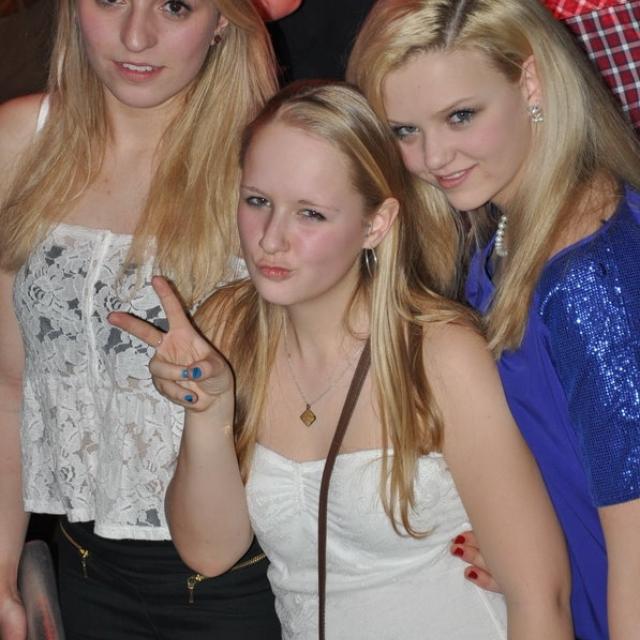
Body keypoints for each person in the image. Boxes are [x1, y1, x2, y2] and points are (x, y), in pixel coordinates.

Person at [110, 81, 573, 639]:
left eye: (311, 214)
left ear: (375, 224)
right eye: (257, 201)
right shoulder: (227, 326)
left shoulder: (439, 352)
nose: (271, 239)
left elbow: (540, 597)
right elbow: (210, 552)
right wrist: (208, 411)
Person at [347, 0, 640, 638]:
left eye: (460, 116)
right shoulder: (510, 241)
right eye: (405, 131)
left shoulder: (591, 279)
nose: (433, 157)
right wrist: (534, 545)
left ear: (530, 82)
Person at [0, 0, 280, 638]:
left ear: (224, 20)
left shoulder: (272, 159)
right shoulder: (18, 142)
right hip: (82, 570)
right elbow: (9, 386)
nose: (135, 36)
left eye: (174, 6)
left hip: (251, 579)